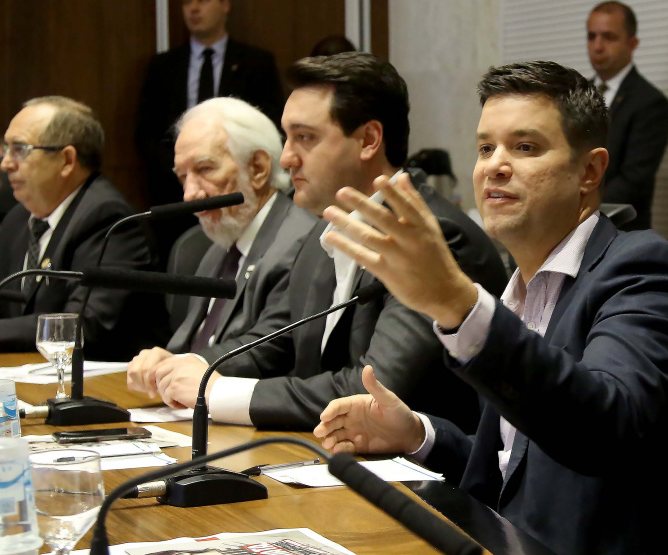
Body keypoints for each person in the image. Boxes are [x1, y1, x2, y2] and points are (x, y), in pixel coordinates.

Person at [314, 61, 668, 554]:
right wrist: (417, 434)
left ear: (590, 171)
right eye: (486, 147)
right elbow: (523, 465)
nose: (495, 165)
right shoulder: (522, 290)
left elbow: (602, 429)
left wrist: (457, 302)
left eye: (525, 147)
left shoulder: (647, 271)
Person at [147, 52, 508, 432]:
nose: (286, 159)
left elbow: (374, 391)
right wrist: (194, 367)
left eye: (304, 138)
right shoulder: (325, 227)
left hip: (426, 478)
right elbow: (278, 342)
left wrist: (216, 393)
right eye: (287, 138)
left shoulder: (433, 236)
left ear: (368, 140)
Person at [0, 96, 169, 360]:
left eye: (20, 149)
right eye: (5, 149)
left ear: (66, 160)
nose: (4, 164)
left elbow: (83, 325)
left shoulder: (108, 220)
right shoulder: (18, 219)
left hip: (112, 388)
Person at [126, 97, 318, 402]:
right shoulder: (216, 246)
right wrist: (163, 360)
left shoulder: (301, 241)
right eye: (182, 177)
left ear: (258, 168)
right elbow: (193, 343)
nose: (190, 194)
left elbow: (275, 344)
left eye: (205, 169)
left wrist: (191, 364)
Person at [136, 0, 284, 265]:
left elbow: (271, 125)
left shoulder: (256, 62)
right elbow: (147, 133)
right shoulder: (163, 66)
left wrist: (208, 170)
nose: (193, 8)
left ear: (225, 5)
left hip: (237, 197)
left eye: (202, 0)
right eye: (186, 2)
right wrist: (186, 174)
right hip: (173, 202)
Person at [588, 1, 668, 230]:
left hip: (619, 230)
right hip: (567, 226)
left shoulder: (649, 102)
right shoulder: (571, 93)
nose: (597, 46)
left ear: (632, 43)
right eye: (591, 36)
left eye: (608, 37)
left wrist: (580, 207)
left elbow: (635, 179)